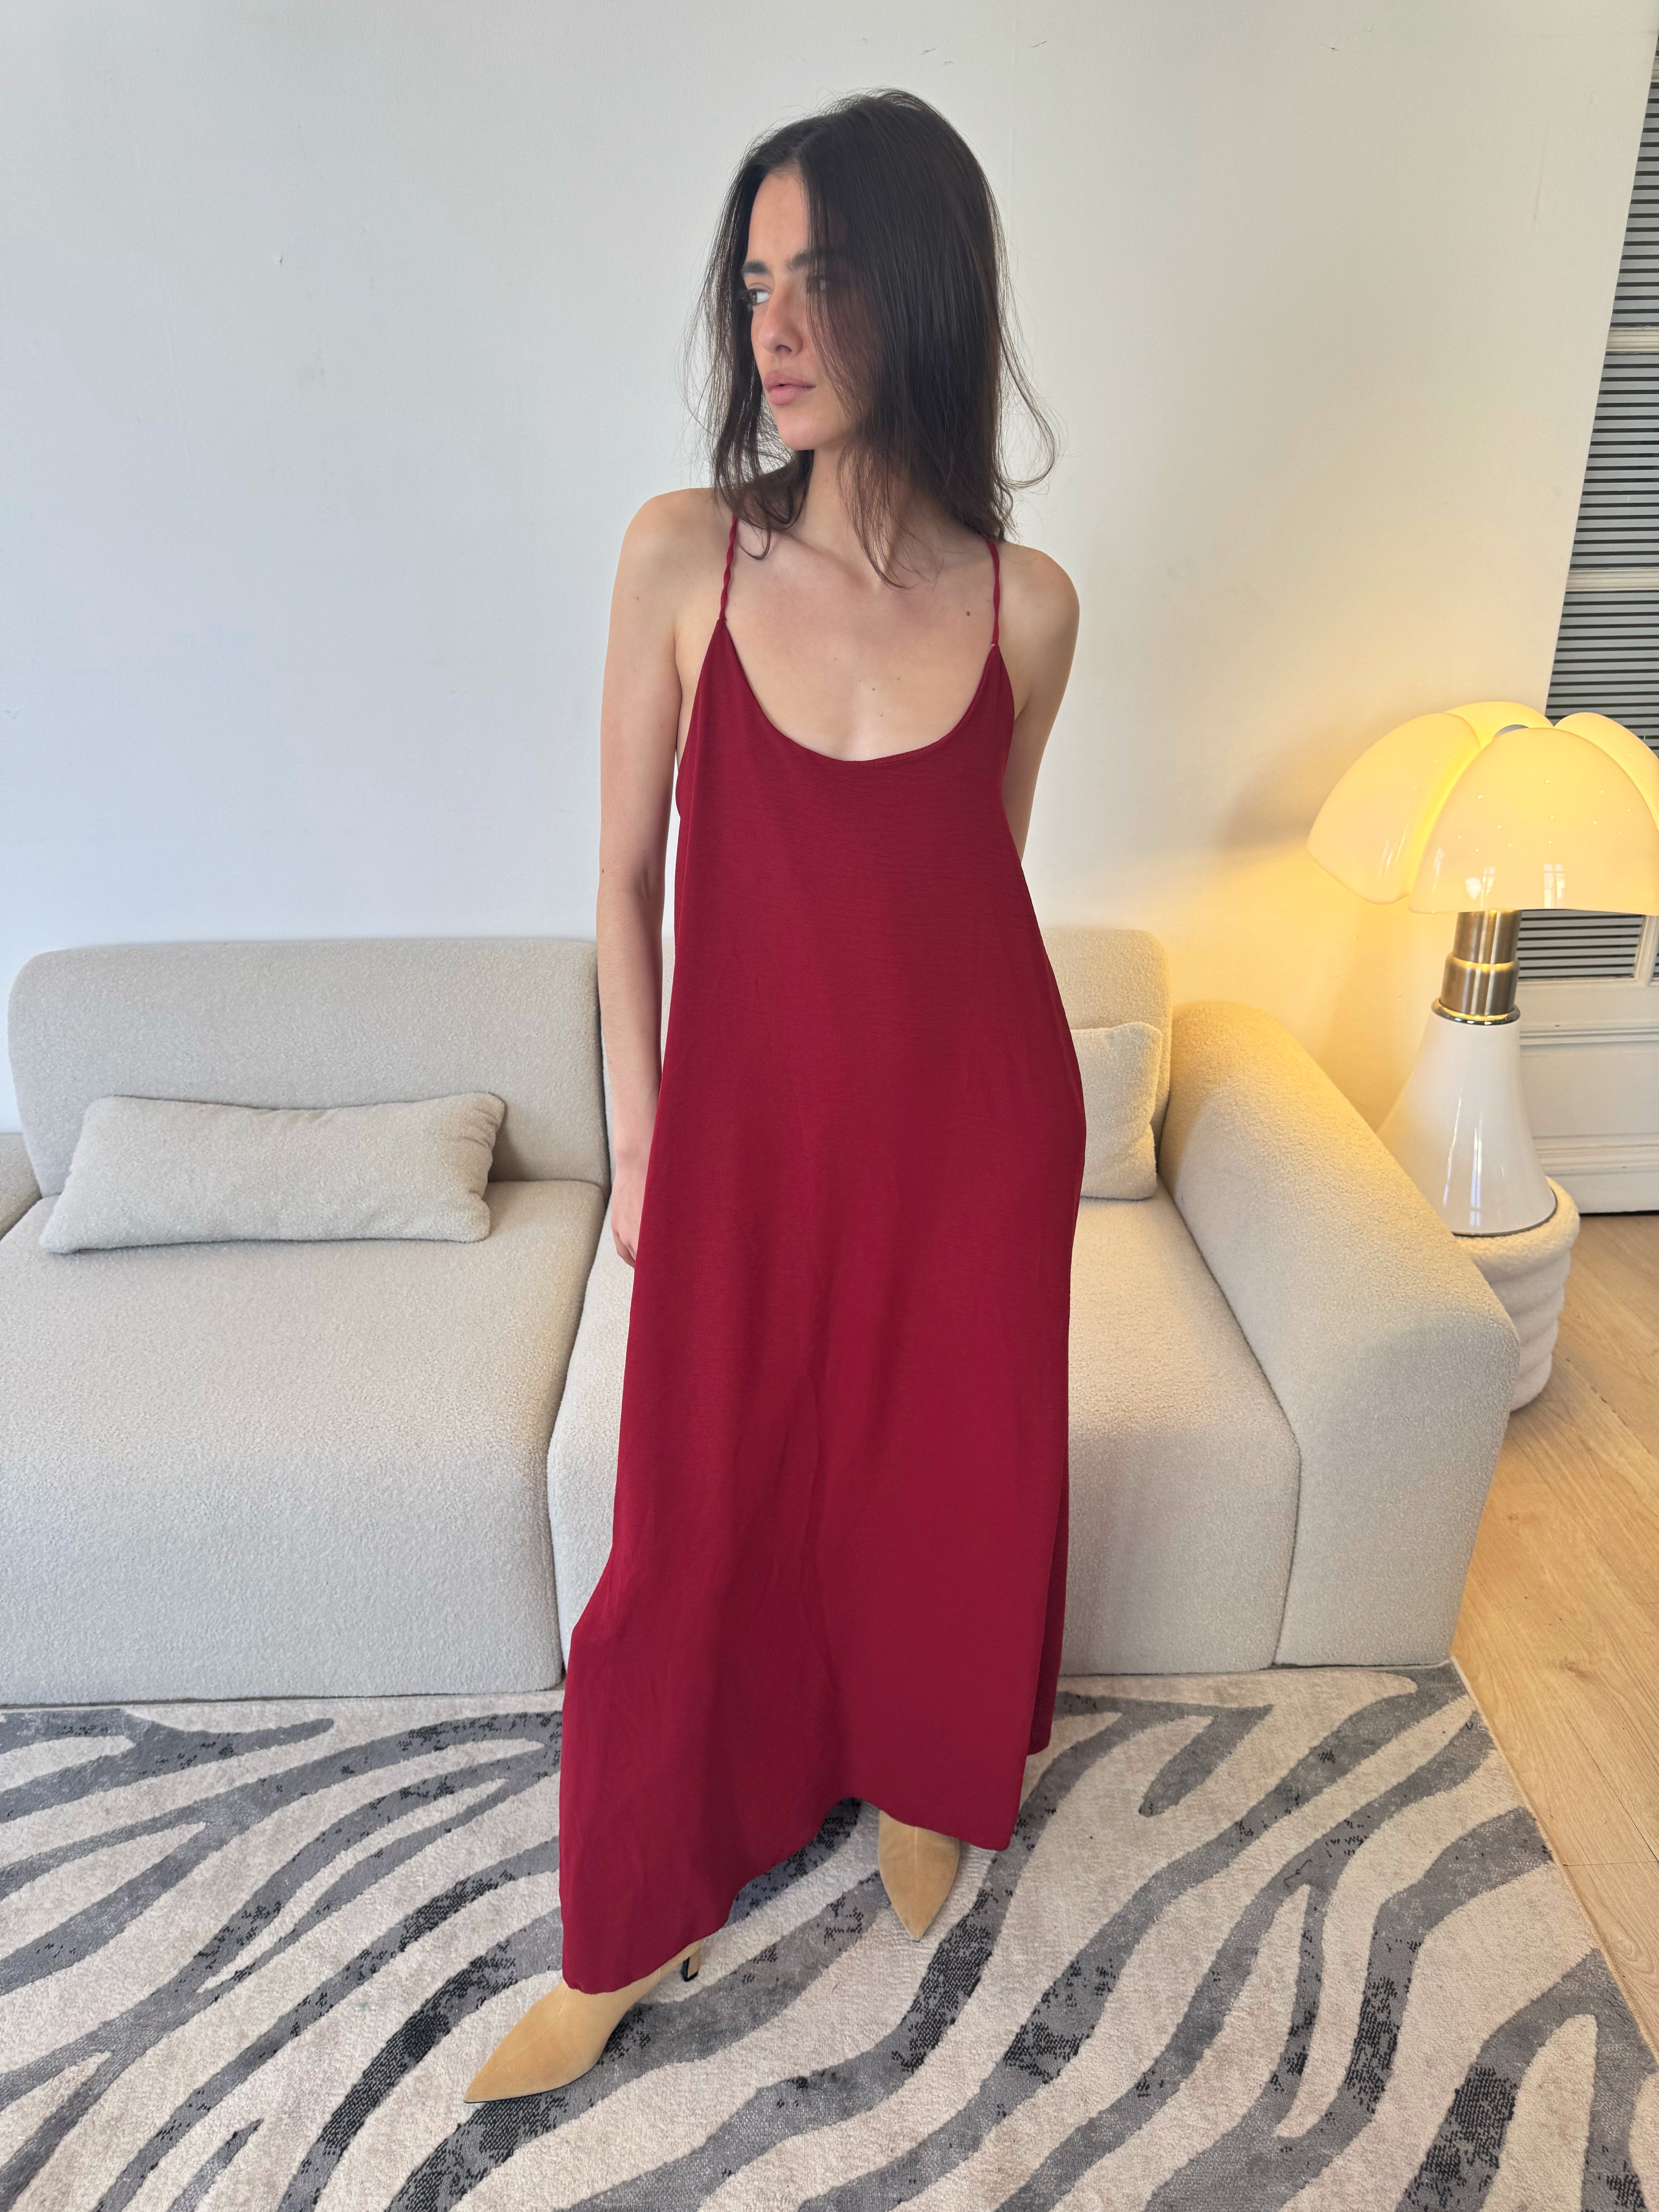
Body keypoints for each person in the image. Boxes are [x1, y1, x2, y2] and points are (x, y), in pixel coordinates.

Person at [465, 86, 1084, 2104]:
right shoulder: (687, 560)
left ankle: (918, 1764)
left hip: (971, 1143)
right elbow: (621, 883)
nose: (778, 328)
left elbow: (974, 888)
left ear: (927, 291)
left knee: (939, 1479)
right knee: (688, 1529)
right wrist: (646, 1138)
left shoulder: (1027, 606)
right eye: (755, 284)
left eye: (823, 278)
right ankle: (628, 1915)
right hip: (738, 1148)